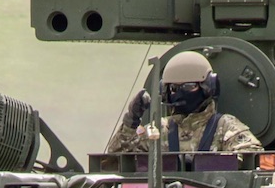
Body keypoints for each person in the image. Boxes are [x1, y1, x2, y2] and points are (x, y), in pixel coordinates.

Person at [105, 51, 261, 155]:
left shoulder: (225, 127)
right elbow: (114, 161)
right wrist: (130, 122)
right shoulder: (159, 131)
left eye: (189, 87)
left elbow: (251, 157)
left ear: (207, 88)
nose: (180, 93)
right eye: (173, 88)